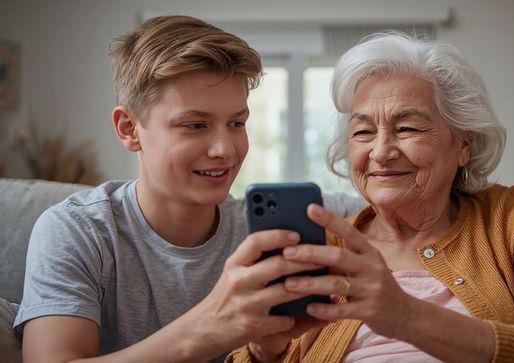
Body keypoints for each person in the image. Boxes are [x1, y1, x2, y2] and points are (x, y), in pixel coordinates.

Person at [228, 33, 514, 362]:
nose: (380, 151)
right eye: (362, 132)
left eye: (406, 127)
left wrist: (407, 316)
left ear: (464, 145)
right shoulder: (323, 247)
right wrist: (265, 352)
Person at [13, 15, 365, 362]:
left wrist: (263, 351)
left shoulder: (271, 227)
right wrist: (211, 327)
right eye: (195, 125)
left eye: (236, 123)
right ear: (129, 129)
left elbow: (389, 212)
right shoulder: (78, 231)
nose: (225, 149)